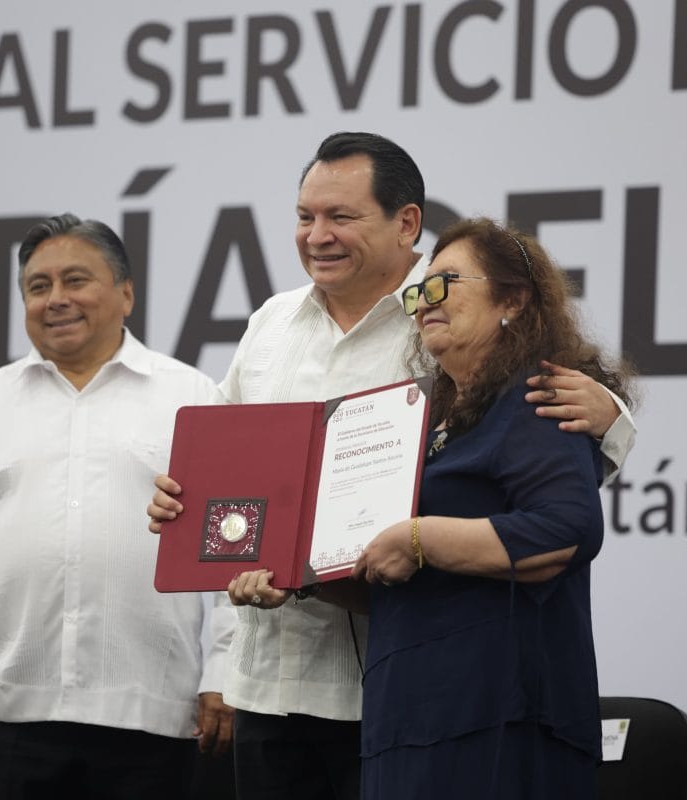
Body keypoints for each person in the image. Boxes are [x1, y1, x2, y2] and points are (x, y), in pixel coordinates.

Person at [148, 132, 637, 800]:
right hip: (272, 675)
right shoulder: (270, 324)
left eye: (340, 217)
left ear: (407, 222)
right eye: (305, 217)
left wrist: (611, 412)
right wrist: (189, 507)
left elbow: (558, 480)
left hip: (391, 686)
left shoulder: (444, 318)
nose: (317, 235)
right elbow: (231, 470)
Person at [0, 214, 233, 800]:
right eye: (38, 286)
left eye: (76, 281)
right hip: (11, 717)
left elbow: (232, 547)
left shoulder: (193, 398)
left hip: (155, 717)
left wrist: (223, 672)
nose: (56, 300)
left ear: (126, 293)